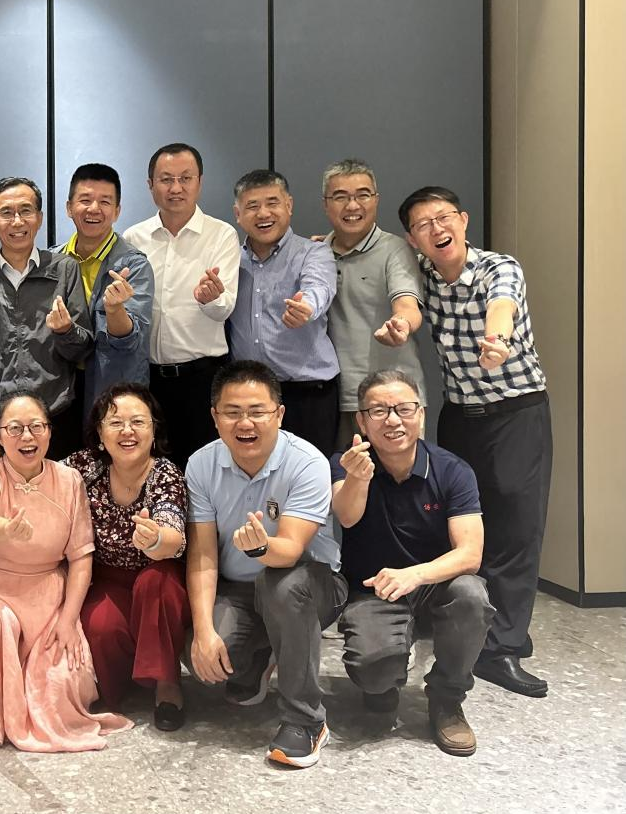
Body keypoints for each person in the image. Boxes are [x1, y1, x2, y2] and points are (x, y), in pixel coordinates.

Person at [400, 186, 551, 698]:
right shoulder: (424, 276)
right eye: (423, 225)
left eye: (444, 217)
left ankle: (502, 647)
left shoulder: (497, 268)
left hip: (516, 412)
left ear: (463, 221)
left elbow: (501, 308)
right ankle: (477, 623)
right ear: (413, 239)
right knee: (458, 520)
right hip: (460, 416)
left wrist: (497, 342)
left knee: (516, 527)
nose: (437, 229)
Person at [185, 361, 345, 769]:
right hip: (240, 589)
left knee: (284, 587)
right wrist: (203, 632)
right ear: (215, 417)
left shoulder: (307, 462)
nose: (245, 423)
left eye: (257, 411)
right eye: (232, 412)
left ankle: (306, 721)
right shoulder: (201, 465)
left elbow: (289, 551)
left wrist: (260, 549)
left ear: (279, 414)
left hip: (309, 583)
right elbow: (203, 554)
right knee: (204, 657)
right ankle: (261, 656)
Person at [331, 370, 494, 756]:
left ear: (420, 414)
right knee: (374, 676)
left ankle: (447, 700)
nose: (392, 420)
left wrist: (414, 575)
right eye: (379, 411)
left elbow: (470, 554)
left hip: (434, 584)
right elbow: (347, 517)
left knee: (472, 595)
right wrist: (358, 479)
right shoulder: (345, 464)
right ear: (362, 421)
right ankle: (383, 681)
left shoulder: (452, 470)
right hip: (373, 589)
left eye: (403, 409)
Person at [0, 391, 130, 751]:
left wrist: (68, 618)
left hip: (48, 593)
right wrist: (3, 528)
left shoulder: (69, 480)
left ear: (49, 431)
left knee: (60, 686)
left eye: (36, 426)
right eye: (15, 428)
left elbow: (81, 557)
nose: (27, 436)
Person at [64, 384, 188, 730]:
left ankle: (167, 683)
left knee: (156, 584)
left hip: (159, 573)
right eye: (116, 423)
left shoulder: (166, 474)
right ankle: (119, 687)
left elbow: (172, 535)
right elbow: (36, 472)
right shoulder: (84, 467)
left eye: (138, 422)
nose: (127, 431)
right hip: (106, 576)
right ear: (100, 433)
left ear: (153, 430)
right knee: (100, 625)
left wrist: (154, 539)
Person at [0, 177, 93, 456]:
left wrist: (66, 330)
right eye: (6, 213)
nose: (17, 221)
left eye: (26, 210)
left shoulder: (64, 269)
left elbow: (82, 348)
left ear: (39, 218)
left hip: (54, 414)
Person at [124, 142, 239, 468]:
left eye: (185, 178)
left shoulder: (221, 235)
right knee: (151, 468)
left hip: (202, 378)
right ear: (150, 185)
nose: (176, 188)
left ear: (199, 182)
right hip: (148, 379)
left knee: (203, 469)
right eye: (166, 179)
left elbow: (225, 307)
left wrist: (210, 298)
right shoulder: (133, 238)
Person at [227, 169, 339, 457]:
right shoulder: (230, 259)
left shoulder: (313, 252)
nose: (263, 213)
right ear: (238, 214)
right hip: (251, 395)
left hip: (307, 392)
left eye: (272, 203)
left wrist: (307, 308)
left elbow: (319, 287)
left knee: (312, 473)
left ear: (289, 205)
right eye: (252, 206)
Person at [319, 159, 425, 450]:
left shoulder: (395, 249)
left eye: (363, 195)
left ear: (376, 200)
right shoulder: (316, 254)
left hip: (394, 399)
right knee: (344, 476)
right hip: (338, 398)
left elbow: (407, 304)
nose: (352, 205)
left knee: (402, 477)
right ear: (325, 204)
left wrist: (401, 325)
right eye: (340, 197)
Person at [53, 163, 154, 411]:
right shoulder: (52, 261)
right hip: (60, 386)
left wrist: (115, 309)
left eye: (105, 202)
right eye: (85, 200)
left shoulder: (134, 264)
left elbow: (130, 341)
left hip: (112, 387)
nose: (94, 209)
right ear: (69, 207)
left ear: (117, 211)